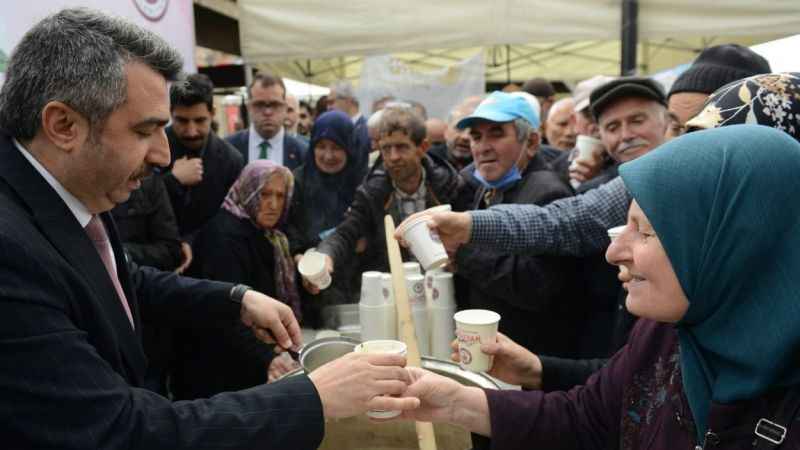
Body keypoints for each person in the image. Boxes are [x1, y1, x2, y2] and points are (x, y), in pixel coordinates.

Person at [0, 9, 417, 449]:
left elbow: (120, 281)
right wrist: (312, 398)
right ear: (64, 125)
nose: (164, 156)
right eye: (145, 131)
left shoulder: (77, 185)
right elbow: (119, 431)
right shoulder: (10, 252)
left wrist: (232, 298)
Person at [398, 125, 800, 448]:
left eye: (644, 231)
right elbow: (588, 417)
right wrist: (449, 400)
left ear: (731, 244)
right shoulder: (665, 334)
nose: (613, 253)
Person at [450, 92, 595, 357]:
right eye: (476, 136)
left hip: (533, 360)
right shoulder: (488, 188)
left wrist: (462, 254)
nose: (482, 147)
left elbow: (539, 288)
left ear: (531, 143)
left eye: (496, 134)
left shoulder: (548, 193)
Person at [174, 160, 303, 398]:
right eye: (264, 194)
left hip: (242, 357)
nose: (273, 204)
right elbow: (226, 313)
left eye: (280, 196)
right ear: (248, 191)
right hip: (216, 371)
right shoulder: (225, 237)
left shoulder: (269, 235)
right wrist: (267, 360)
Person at [313, 105, 463, 291]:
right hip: (393, 291)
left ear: (422, 147)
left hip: (445, 291)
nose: (393, 157)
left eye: (401, 147)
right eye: (386, 149)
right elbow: (346, 233)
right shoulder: (371, 192)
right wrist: (325, 255)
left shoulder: (450, 185)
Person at [285, 111, 362, 325]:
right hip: (312, 287)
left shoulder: (361, 181)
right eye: (321, 146)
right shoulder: (296, 182)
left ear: (350, 147)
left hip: (356, 286)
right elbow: (288, 230)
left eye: (337, 147)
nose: (328, 155)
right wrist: (302, 262)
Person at [163, 74, 244, 239]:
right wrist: (172, 181)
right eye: (182, 121)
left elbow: (232, 220)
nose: (191, 131)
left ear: (212, 113)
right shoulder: (150, 150)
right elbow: (132, 202)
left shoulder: (231, 160)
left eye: (200, 121)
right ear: (170, 113)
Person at [225, 73, 308, 170]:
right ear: (249, 107)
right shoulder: (228, 148)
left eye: (275, 104)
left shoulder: (303, 152)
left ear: (285, 107)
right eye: (259, 104)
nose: (267, 112)